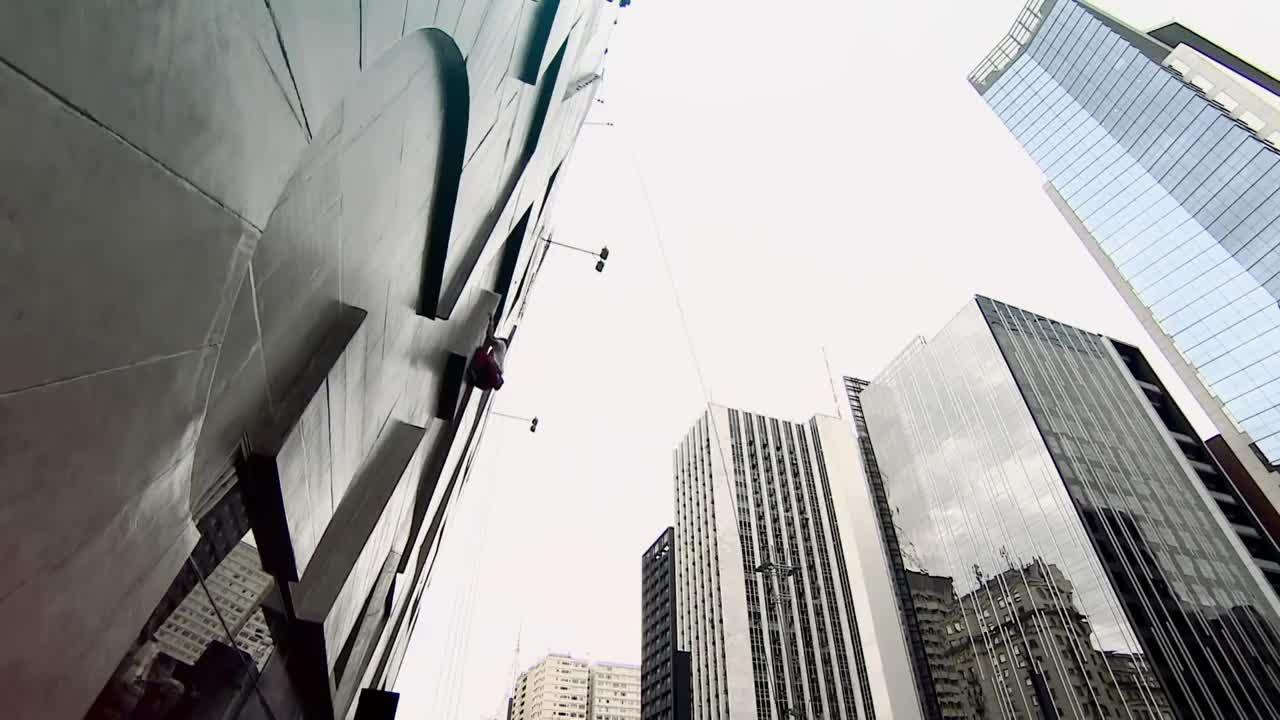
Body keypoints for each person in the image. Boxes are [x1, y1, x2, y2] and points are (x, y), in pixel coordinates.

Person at [468, 315, 508, 391]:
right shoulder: (500, 356)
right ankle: (473, 370)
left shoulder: (502, 344)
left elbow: (490, 337)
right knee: (484, 384)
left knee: (480, 351)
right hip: (489, 372)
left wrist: (491, 322)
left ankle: (473, 369)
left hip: (490, 365)